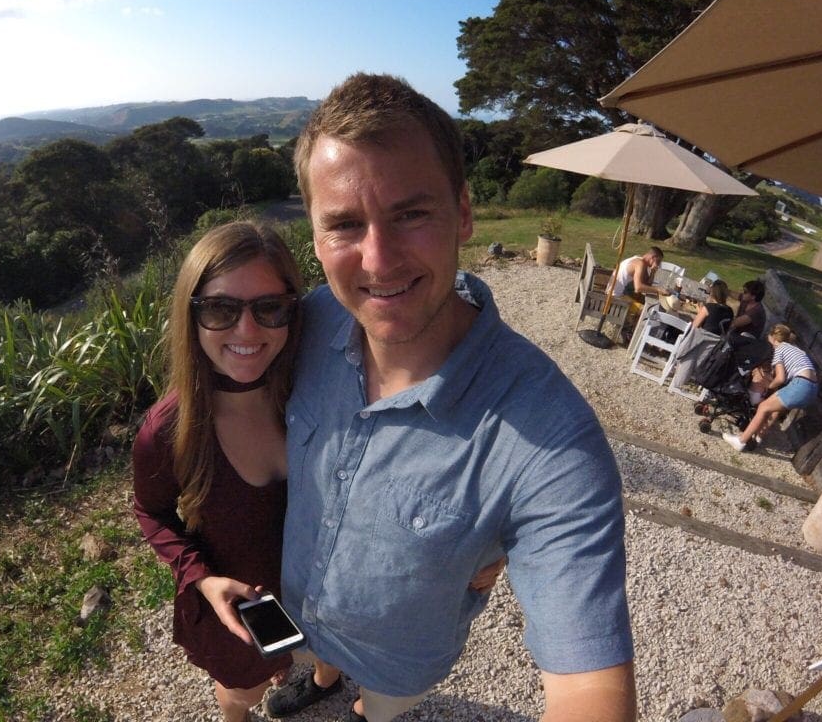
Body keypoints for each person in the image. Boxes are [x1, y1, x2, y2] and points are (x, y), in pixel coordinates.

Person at [266, 73, 635, 722]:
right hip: (298, 607)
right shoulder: (310, 320)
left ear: (463, 212)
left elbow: (590, 689)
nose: (378, 261)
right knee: (315, 660)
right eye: (345, 225)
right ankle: (322, 677)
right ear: (316, 239)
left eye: (410, 214)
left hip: (400, 662)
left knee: (377, 709)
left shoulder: (550, 439)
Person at [132, 221, 303, 722]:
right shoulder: (169, 431)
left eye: (269, 308)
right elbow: (152, 511)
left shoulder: (314, 390)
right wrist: (201, 580)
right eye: (220, 309)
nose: (247, 331)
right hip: (242, 612)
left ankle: (321, 681)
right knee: (242, 693)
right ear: (191, 315)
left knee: (324, 656)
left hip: (324, 596)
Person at [723, 323, 819, 452]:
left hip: (800, 384)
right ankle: (757, 439)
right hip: (812, 388)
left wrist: (767, 390)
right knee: (775, 409)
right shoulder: (796, 350)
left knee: (763, 407)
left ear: (774, 339)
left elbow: (780, 378)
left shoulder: (779, 350)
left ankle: (741, 441)